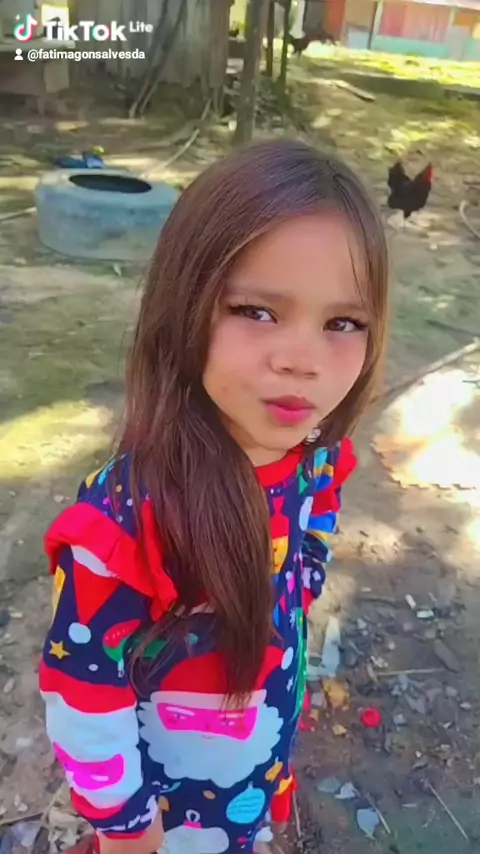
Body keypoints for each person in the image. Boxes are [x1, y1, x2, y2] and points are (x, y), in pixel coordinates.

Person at [40, 138, 389, 854]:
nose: (302, 359)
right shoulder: (128, 521)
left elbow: (318, 516)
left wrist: (299, 582)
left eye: (342, 323)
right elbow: (84, 695)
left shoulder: (313, 459)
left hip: (251, 776)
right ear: (185, 304)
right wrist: (127, 830)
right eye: (257, 311)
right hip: (170, 820)